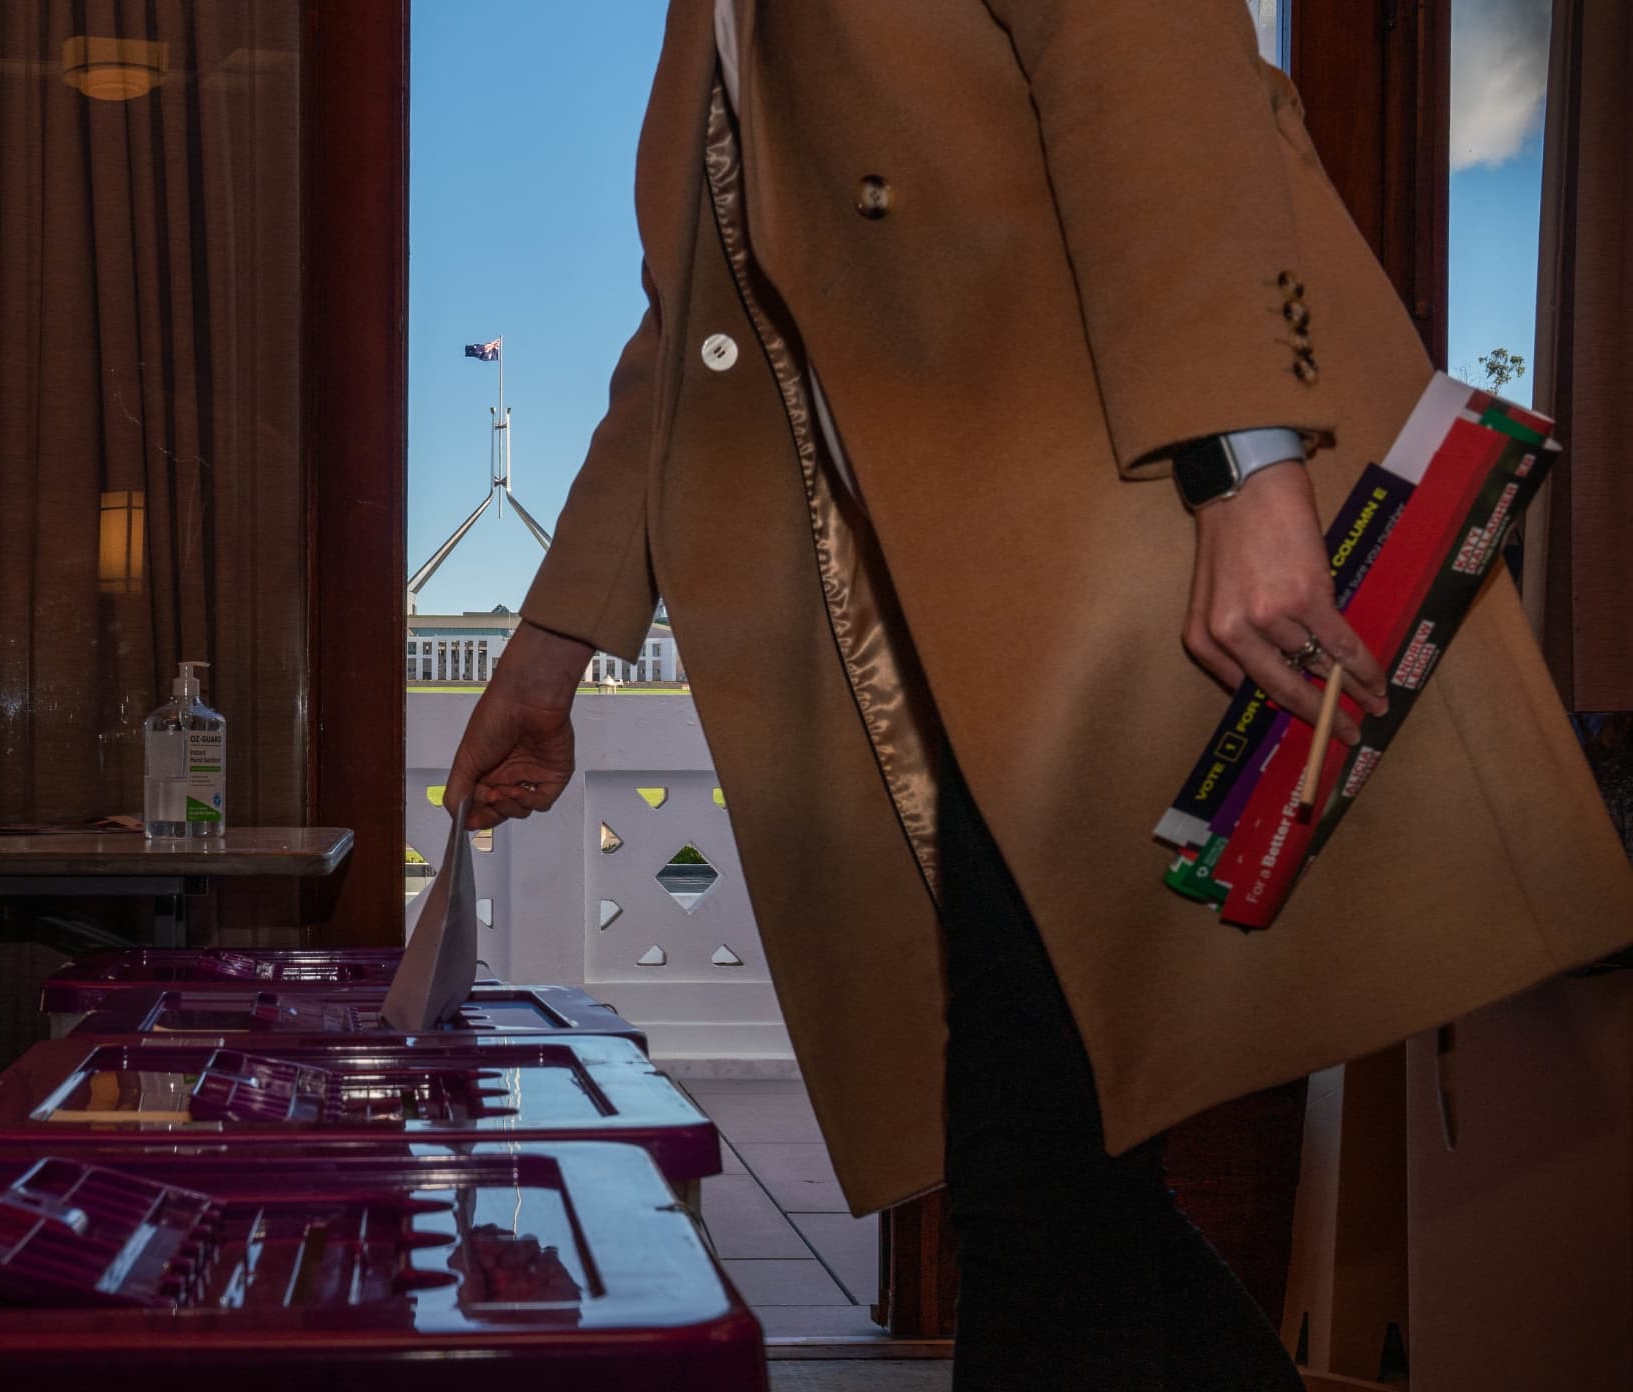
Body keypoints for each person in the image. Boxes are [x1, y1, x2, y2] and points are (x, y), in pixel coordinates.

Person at [446, 2, 1633, 1383]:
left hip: (1124, 567)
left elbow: (1153, 60)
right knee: (1054, 1195)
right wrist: (550, 650)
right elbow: (687, 336)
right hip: (976, 642)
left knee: (1039, 1199)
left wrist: (1249, 466)